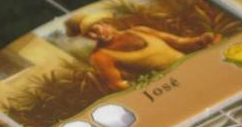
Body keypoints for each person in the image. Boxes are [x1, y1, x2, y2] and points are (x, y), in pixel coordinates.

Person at [67, 17, 219, 92]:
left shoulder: (140, 30)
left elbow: (178, 42)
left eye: (95, 29)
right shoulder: (100, 56)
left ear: (105, 23)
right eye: (89, 35)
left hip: (195, 69)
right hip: (171, 86)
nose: (95, 36)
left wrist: (201, 40)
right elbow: (117, 84)